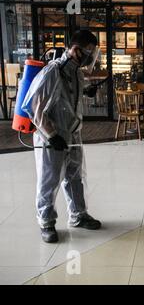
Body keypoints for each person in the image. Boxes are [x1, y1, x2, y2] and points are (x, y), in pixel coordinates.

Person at [23, 30, 102, 243]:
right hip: (52, 138)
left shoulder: (76, 71)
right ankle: (46, 222)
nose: (90, 57)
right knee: (49, 181)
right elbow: (34, 107)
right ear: (76, 50)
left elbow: (68, 94)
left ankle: (78, 215)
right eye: (88, 52)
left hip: (72, 134)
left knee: (75, 177)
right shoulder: (52, 72)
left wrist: (86, 91)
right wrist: (51, 135)